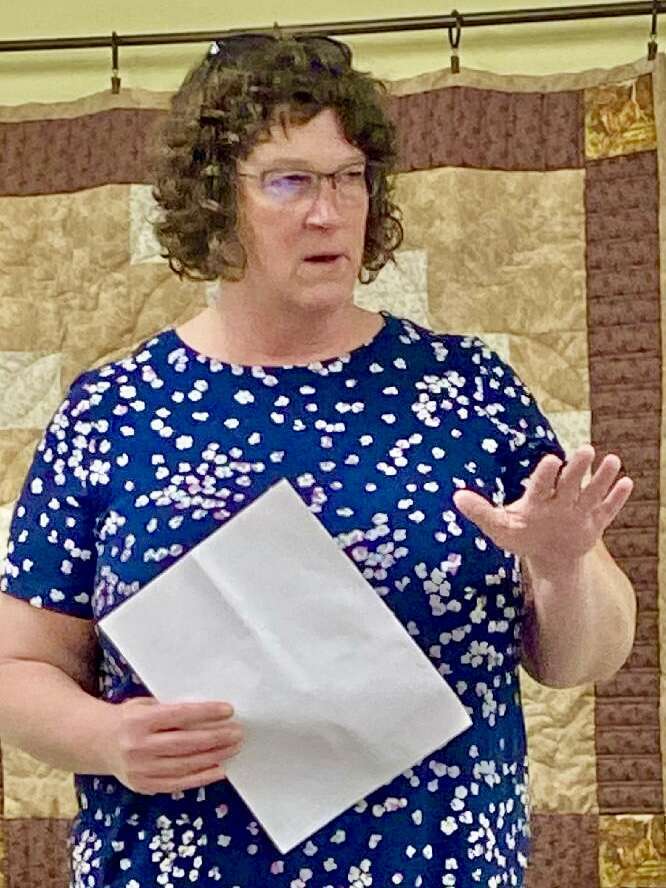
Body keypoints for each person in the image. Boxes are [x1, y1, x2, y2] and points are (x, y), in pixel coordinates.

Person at [0, 32, 636, 888]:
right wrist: (104, 739)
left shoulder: (468, 388)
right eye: (289, 181)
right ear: (213, 202)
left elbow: (584, 659)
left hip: (434, 865)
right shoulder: (112, 411)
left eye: (348, 177)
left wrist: (562, 568)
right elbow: (21, 665)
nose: (329, 212)